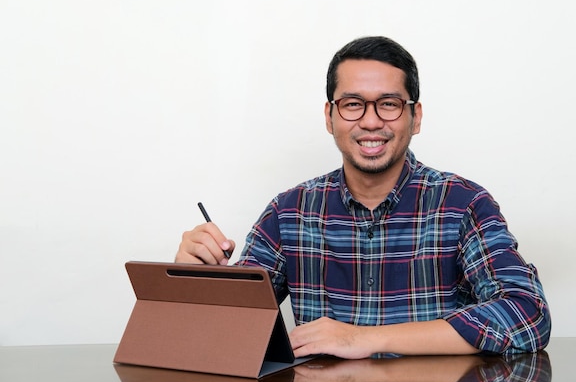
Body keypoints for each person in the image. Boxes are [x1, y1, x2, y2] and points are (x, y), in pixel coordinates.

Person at [175, 36, 551, 359]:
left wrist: (363, 339)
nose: (371, 121)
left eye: (388, 103)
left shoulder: (463, 204)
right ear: (330, 116)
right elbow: (229, 332)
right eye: (353, 104)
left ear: (415, 117)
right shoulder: (289, 212)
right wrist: (191, 280)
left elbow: (527, 315)